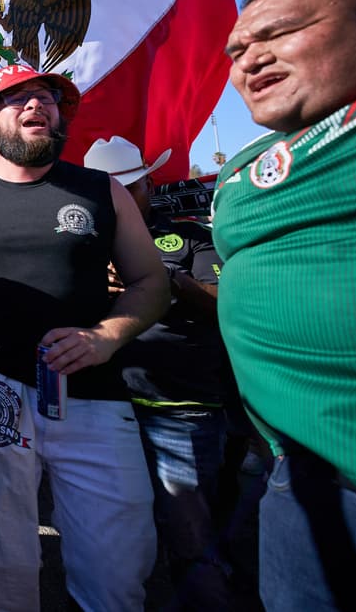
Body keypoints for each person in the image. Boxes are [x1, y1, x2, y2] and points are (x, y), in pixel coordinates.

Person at [0, 63, 169, 611]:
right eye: (18, 99)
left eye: (47, 97)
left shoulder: (103, 190)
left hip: (95, 394)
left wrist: (106, 335)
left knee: (117, 568)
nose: (37, 105)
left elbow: (152, 282)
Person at [213, 0, 356, 611]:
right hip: (296, 483)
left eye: (279, 33)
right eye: (236, 50)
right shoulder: (241, 171)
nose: (249, 60)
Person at [84, 135, 234, 609]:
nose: (122, 199)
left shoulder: (189, 237)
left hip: (180, 408)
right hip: (105, 410)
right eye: (111, 190)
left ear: (148, 184)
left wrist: (165, 280)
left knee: (191, 539)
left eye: (130, 187)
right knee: (112, 537)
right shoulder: (80, 246)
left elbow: (227, 305)